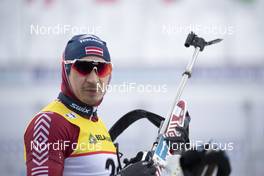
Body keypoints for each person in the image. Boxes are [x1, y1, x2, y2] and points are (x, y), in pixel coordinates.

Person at [24, 34, 156, 176]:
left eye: (102, 68)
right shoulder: (50, 122)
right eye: (83, 67)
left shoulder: (95, 122)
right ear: (66, 71)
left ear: (110, 75)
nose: (93, 80)